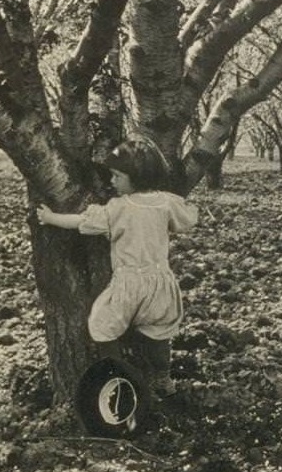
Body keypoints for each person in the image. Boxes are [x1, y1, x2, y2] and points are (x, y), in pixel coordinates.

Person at [36, 134, 198, 396]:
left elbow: (80, 222)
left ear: (137, 176)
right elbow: (187, 219)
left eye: (117, 176)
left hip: (129, 284)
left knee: (102, 325)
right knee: (158, 334)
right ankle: (162, 377)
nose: (111, 181)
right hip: (160, 283)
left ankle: (118, 373)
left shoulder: (119, 208)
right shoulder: (165, 202)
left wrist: (51, 217)